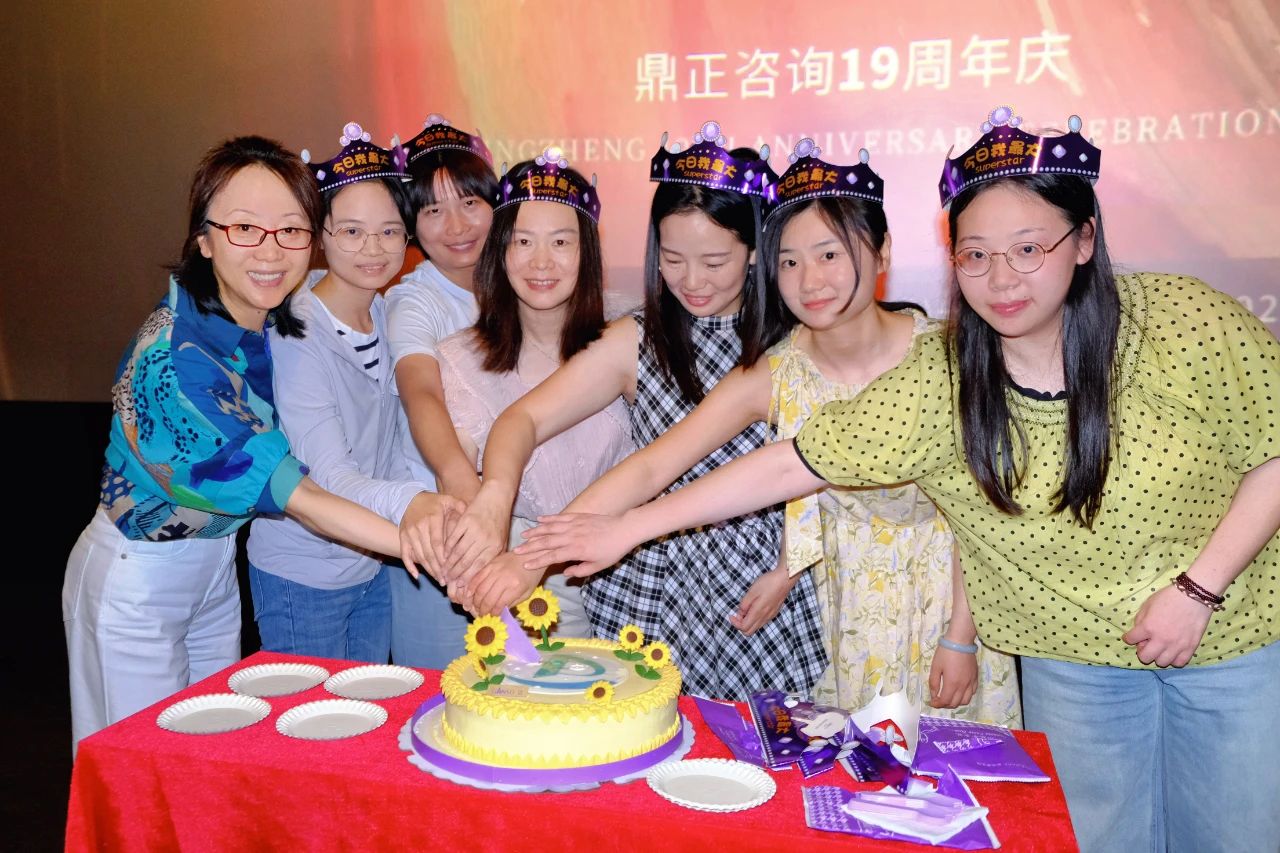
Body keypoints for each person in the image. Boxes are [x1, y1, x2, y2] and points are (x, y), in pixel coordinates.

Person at [513, 108, 1280, 851]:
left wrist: (1198, 589)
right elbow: (790, 463)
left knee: (1236, 832)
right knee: (1090, 836)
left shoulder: (1179, 319)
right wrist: (623, 528)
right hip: (1069, 655)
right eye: (975, 255)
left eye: (1027, 248)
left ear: (1083, 239)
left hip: (1227, 633)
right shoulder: (945, 373)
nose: (1000, 277)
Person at [516, 142, 1020, 725]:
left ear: (882, 250)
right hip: (840, 612)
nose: (810, 280)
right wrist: (537, 555)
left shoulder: (948, 355)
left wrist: (961, 635)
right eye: (790, 261)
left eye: (829, 255)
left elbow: (979, 510)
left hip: (948, 608)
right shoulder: (779, 368)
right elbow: (660, 463)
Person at [62, 136, 441, 750]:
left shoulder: (255, 314)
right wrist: (433, 553)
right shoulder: (179, 363)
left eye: (290, 229)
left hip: (216, 565)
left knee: (216, 757)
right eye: (244, 228)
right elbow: (304, 497)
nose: (270, 250)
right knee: (139, 764)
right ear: (204, 239)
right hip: (140, 577)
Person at [441, 121, 828, 701]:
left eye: (714, 261)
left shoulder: (797, 346)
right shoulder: (637, 339)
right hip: (651, 576)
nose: (691, 281)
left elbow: (831, 473)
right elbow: (523, 421)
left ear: (755, 252)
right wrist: (497, 499)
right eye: (672, 259)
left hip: (764, 581)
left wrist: (791, 566)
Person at [246, 123, 442, 662]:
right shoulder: (296, 332)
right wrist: (416, 506)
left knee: (366, 705)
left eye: (389, 231)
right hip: (302, 572)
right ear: (320, 235)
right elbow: (328, 477)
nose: (372, 249)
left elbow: (390, 448)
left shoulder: (384, 311)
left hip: (370, 562)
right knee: (309, 710)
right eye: (351, 231)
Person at [433, 150, 633, 637]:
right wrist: (468, 553)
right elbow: (459, 476)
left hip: (635, 562)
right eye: (523, 241)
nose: (542, 262)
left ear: (587, 252)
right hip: (527, 574)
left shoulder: (628, 330)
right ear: (500, 250)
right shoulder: (461, 358)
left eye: (561, 242)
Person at [384, 116, 498, 668]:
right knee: (439, 689)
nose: (455, 226)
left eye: (470, 203)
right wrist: (461, 483)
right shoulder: (415, 301)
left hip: (512, 520)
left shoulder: (520, 282)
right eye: (432, 210)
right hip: (443, 528)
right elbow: (421, 393)